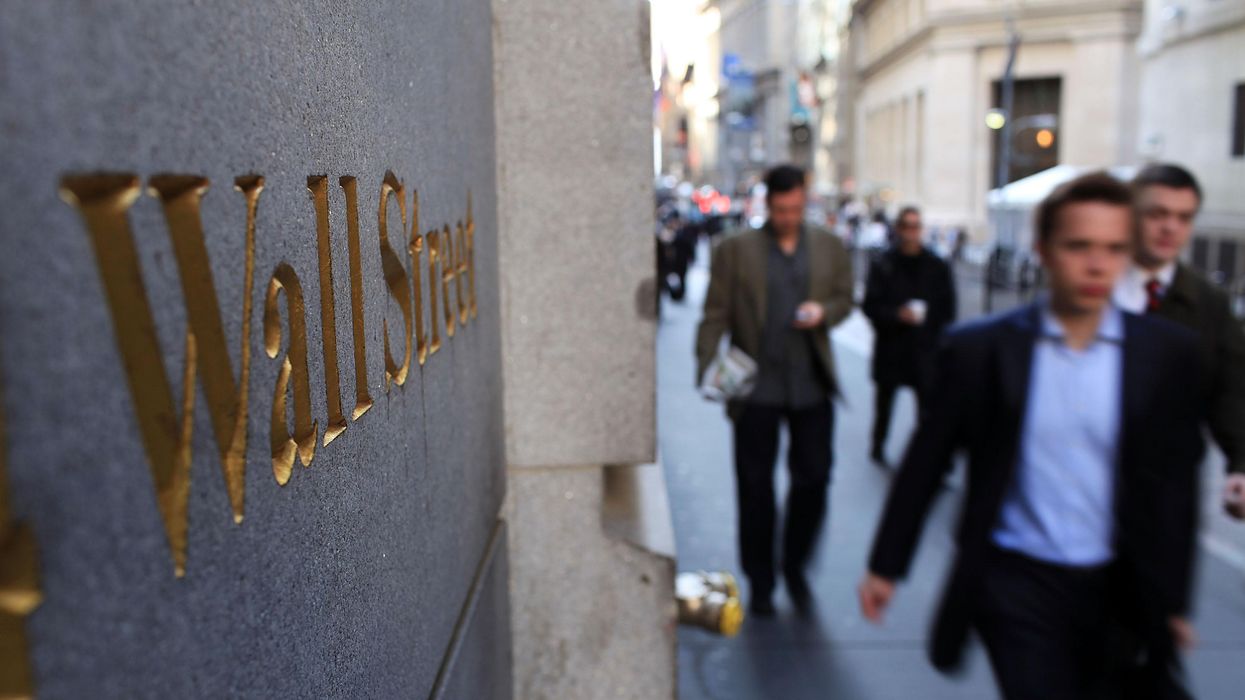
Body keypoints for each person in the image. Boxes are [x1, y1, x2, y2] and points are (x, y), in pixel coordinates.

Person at [858, 172, 1206, 699]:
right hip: (1016, 583)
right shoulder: (983, 350)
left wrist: (1173, 597)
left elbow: (1175, 484)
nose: (1097, 265)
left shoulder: (1164, 354)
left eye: (1114, 249)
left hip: (1118, 585)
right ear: (1043, 250)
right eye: (1078, 246)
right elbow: (927, 460)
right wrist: (886, 566)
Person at [696, 164, 854, 616]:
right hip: (755, 388)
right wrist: (707, 368)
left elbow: (845, 298)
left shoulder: (829, 246)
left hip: (811, 384)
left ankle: (795, 563)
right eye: (781, 209)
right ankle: (760, 578)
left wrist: (824, 312)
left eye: (796, 209)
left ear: (805, 202)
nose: (788, 218)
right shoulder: (735, 249)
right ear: (767, 204)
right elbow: (715, 312)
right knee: (755, 487)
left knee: (814, 478)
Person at [1113, 163, 1245, 519]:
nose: (1170, 227)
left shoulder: (1210, 303)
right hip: (1082, 483)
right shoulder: (1094, 287)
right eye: (1157, 214)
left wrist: (1240, 465)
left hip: (1166, 493)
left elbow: (1233, 391)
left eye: (1184, 218)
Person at [862, 206, 957, 466]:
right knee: (885, 404)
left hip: (924, 348)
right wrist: (896, 315)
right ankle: (878, 445)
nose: (911, 233)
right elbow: (870, 306)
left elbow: (947, 309)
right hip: (892, 346)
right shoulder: (884, 263)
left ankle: (930, 458)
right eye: (906, 226)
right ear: (898, 229)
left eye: (915, 226)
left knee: (927, 408)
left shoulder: (936, 265)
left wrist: (940, 340)